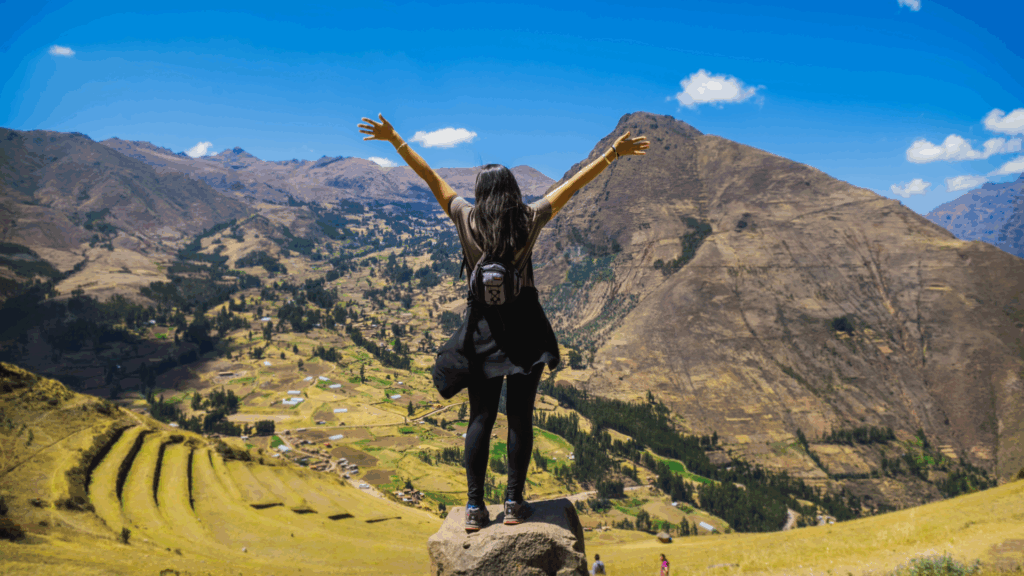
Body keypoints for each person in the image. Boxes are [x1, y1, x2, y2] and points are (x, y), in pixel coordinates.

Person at [359, 114, 648, 532]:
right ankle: (514, 503)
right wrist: (612, 155)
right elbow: (573, 187)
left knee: (480, 417)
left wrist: (395, 140)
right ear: (512, 192)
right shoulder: (529, 219)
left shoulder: (464, 216)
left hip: (481, 333)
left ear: (480, 192)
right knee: (520, 418)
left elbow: (430, 177)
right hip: (526, 333)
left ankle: (475, 509)